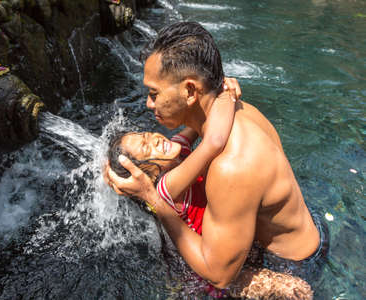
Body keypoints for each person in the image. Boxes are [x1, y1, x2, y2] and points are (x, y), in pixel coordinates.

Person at [105, 21, 329, 291]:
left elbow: (218, 275)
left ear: (189, 91)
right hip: (300, 233)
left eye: (154, 93)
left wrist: (153, 200)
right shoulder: (241, 109)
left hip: (288, 269)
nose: (148, 103)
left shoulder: (231, 166)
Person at [107, 129, 313, 299]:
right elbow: (213, 141)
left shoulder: (179, 151)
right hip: (213, 269)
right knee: (294, 290)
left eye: (147, 134)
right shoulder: (164, 189)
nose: (155, 138)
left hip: (228, 240)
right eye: (146, 147)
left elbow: (196, 127)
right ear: (146, 176)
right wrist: (223, 96)